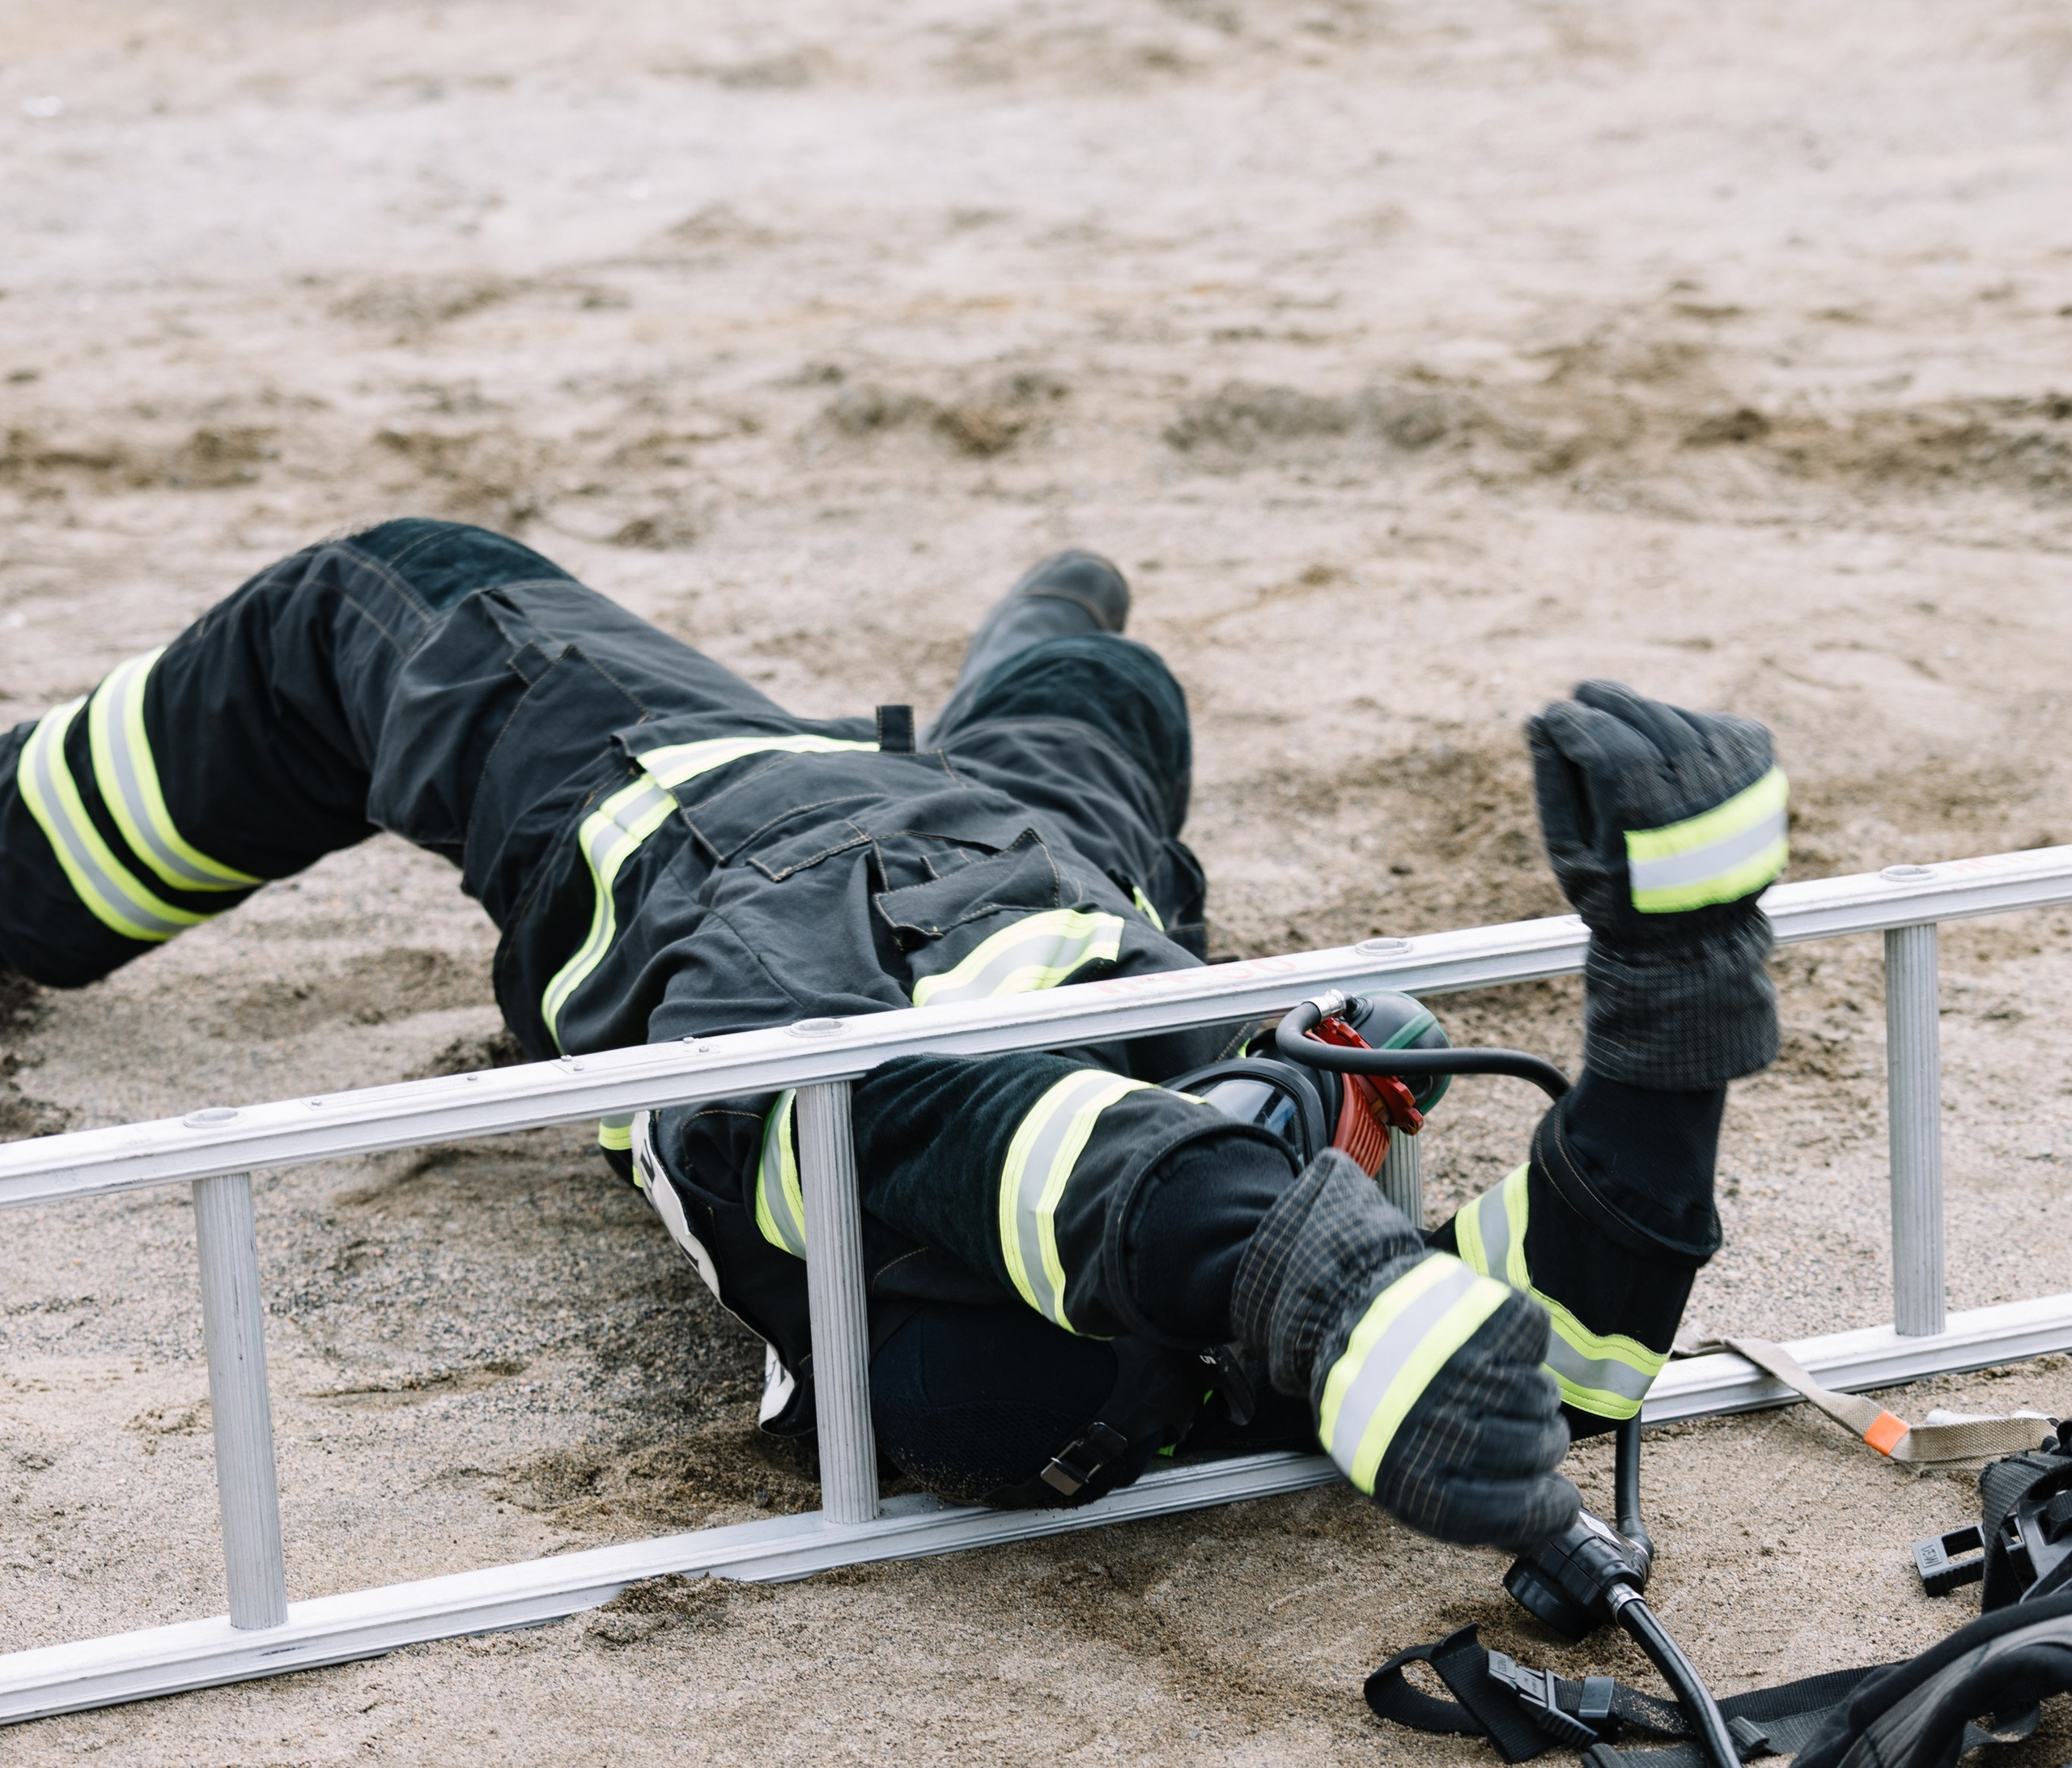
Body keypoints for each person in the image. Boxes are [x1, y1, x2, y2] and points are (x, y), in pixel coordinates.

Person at [0, 525, 1785, 1547]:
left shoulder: (821, 1168)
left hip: (740, 839)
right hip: (1072, 894)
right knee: (1092, 710)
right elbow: (1553, 1368)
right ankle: (1049, 643)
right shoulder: (1208, 1345)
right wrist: (1672, 998)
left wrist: (1288, 1264)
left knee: (378, 605)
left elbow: (929, 1127)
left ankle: (25, 870)